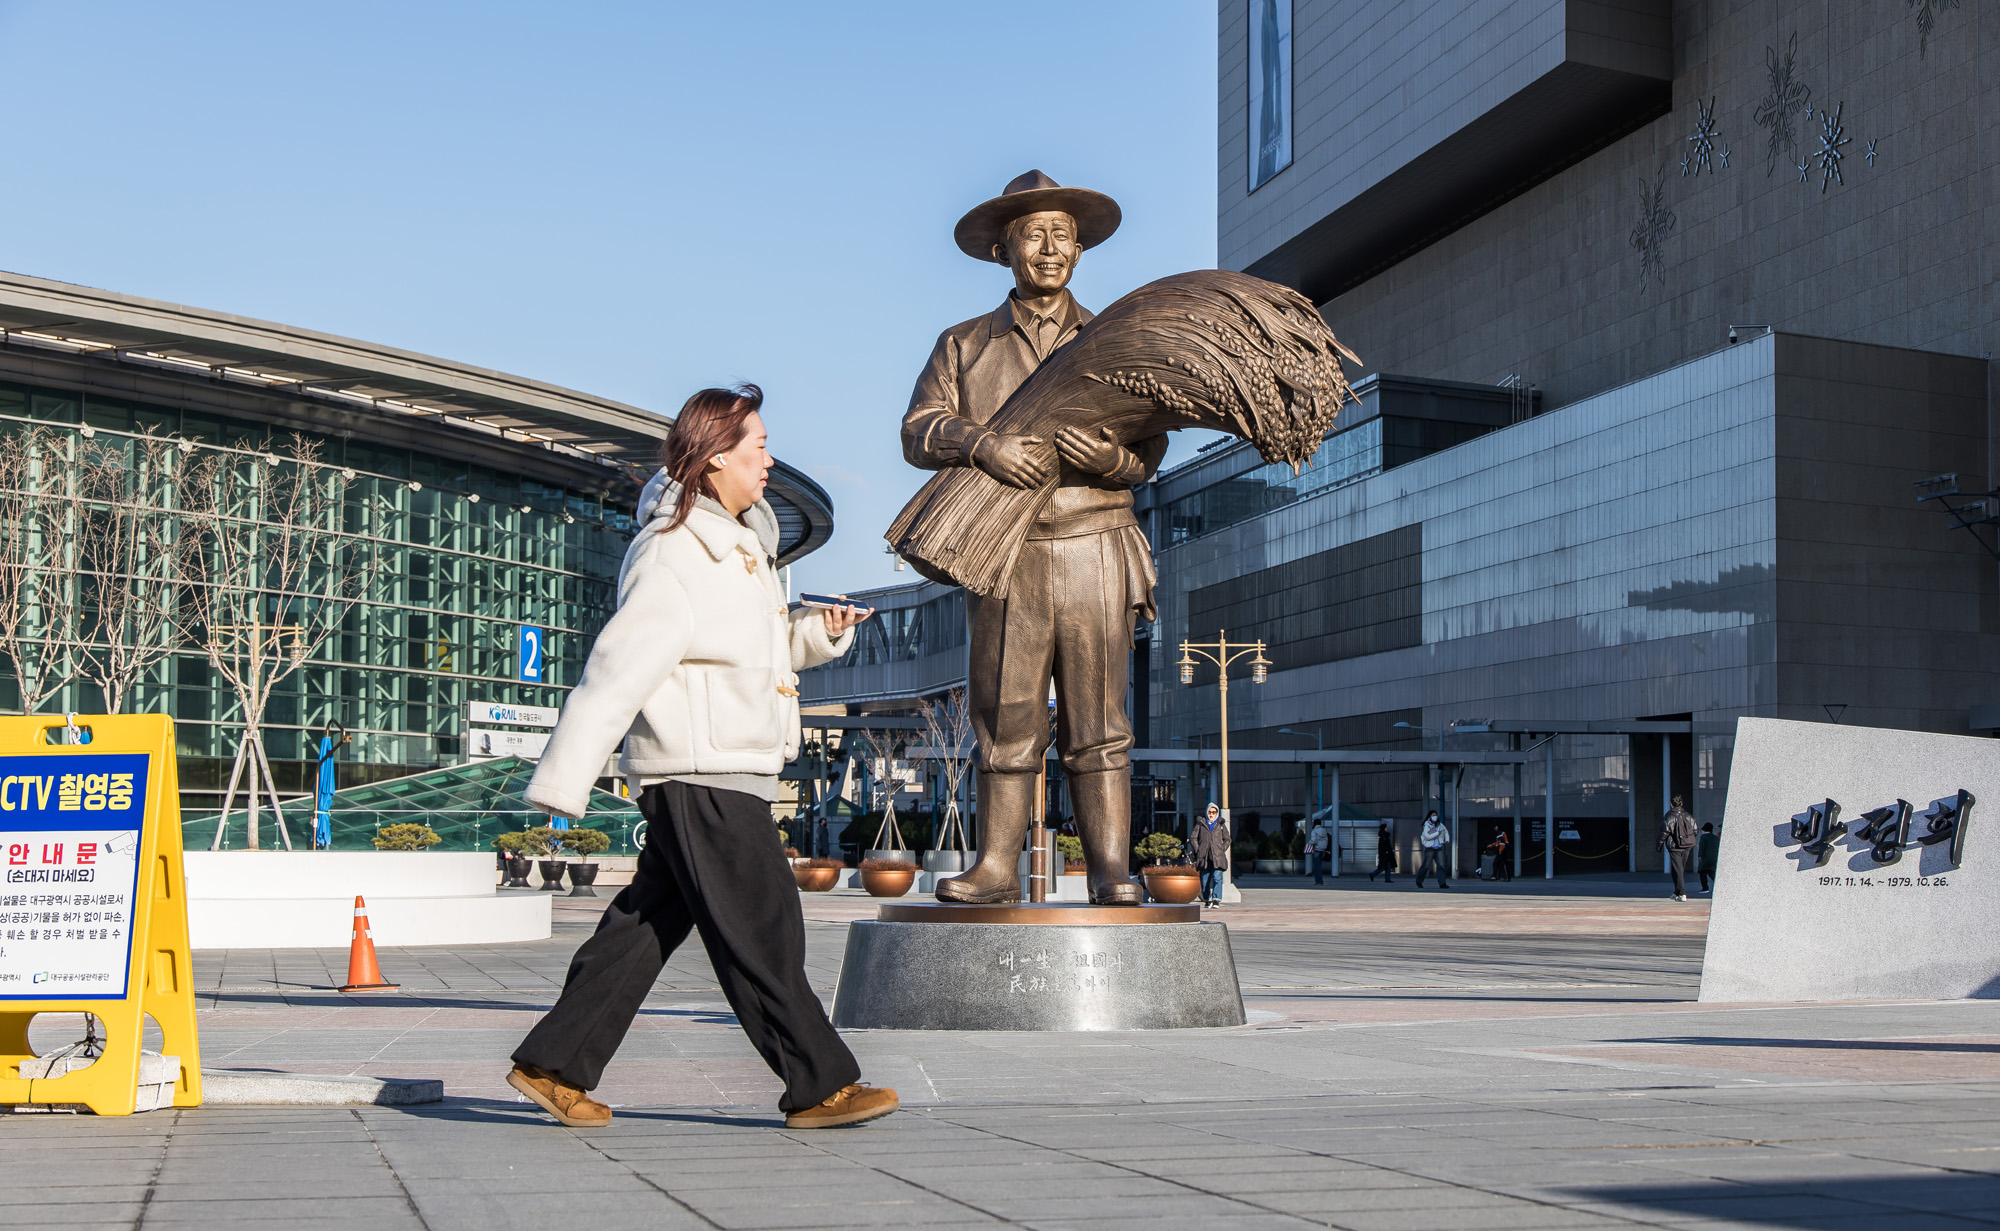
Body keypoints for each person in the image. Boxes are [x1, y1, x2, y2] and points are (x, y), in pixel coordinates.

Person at [506, 385, 898, 1131]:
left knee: (644, 926)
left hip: (724, 763)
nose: (769, 460)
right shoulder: (676, 550)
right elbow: (620, 663)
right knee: (764, 925)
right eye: (757, 446)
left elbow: (757, 658)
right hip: (699, 770)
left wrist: (819, 632)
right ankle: (819, 1083)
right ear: (715, 455)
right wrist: (567, 775)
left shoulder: (740, 548)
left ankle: (553, 1063)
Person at [904, 171, 1166, 908]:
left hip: (1095, 546)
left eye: (1062, 236)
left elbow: (1150, 453)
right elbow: (918, 429)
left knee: (1099, 722)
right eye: (1032, 235)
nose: (1049, 249)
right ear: (1002, 250)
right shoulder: (963, 345)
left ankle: (1112, 868)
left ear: (1079, 250)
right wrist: (982, 444)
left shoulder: (1115, 339)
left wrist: (1107, 460)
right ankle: (994, 865)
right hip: (1009, 554)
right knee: (1006, 714)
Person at [1189, 803, 1230, 907]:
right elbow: (1193, 838)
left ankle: (1216, 899)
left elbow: (1227, 839)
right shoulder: (1200, 824)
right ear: (1207, 812)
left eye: (1214, 812)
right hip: (1204, 856)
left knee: (1217, 877)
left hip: (1217, 855)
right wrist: (1198, 849)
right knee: (1205, 879)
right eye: (1210, 812)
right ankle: (1207, 899)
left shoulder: (1220, 824)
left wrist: (1222, 848)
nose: (1212, 814)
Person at [1661, 794, 1699, 902]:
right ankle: (1676, 892)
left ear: (1671, 805)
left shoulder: (1669, 816)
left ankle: (1682, 893)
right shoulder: (1689, 816)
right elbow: (1695, 830)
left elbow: (1663, 832)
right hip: (1687, 845)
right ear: (1681, 804)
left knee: (1678, 869)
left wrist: (1659, 845)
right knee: (1677, 868)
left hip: (1674, 846)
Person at [1415, 810, 1450, 889]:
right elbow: (1427, 836)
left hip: (1439, 848)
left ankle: (1442, 883)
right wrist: (1437, 833)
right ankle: (1419, 881)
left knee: (1441, 865)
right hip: (1430, 848)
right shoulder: (1427, 825)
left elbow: (1446, 832)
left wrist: (1447, 839)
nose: (1435, 816)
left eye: (1436, 815)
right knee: (1426, 866)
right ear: (1430, 816)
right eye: (1433, 815)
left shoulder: (1440, 825)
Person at [1306, 814, 1333, 885]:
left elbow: (1314, 841)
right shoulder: (1324, 831)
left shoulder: (1314, 831)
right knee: (1319, 866)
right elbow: (1326, 841)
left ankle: (1318, 882)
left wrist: (1309, 844)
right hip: (1323, 850)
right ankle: (1320, 881)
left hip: (1317, 850)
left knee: (1316, 867)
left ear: (1314, 824)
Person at [1695, 821, 1720, 894]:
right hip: (1713, 858)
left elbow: (1702, 847)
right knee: (1711, 872)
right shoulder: (1715, 837)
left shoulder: (1703, 837)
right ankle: (1718, 885)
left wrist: (1700, 856)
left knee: (1702, 873)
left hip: (1705, 858)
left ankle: (1705, 888)